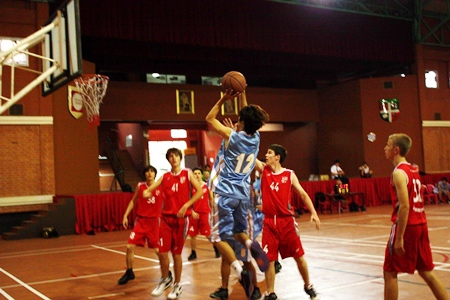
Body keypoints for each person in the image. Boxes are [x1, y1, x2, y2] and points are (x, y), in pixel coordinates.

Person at [205, 88, 270, 298]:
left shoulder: (231, 136)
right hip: (242, 195)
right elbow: (246, 114)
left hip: (224, 193)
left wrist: (224, 98)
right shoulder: (256, 138)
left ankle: (240, 271)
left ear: (240, 121)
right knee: (239, 235)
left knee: (216, 238)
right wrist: (243, 92)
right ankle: (252, 244)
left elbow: (209, 118)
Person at [383, 133, 448, 300]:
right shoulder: (413, 169)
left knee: (390, 272)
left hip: (407, 227)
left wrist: (399, 238)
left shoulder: (398, 173)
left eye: (388, 145)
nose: (385, 148)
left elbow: (404, 206)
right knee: (427, 272)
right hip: (421, 224)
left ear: (396, 149)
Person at [254, 144, 321, 300]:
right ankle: (271, 292)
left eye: (269, 153)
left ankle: (308, 286)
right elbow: (249, 156)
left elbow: (303, 195)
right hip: (269, 222)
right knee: (269, 259)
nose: (266, 155)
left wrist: (314, 212)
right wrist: (238, 135)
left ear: (277, 157)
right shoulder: (264, 171)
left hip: (287, 223)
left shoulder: (289, 174)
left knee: (299, 257)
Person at [142, 148, 203, 300]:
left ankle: (177, 284)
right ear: (168, 160)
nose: (173, 158)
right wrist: (147, 192)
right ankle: (165, 279)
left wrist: (186, 205)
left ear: (180, 158)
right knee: (162, 252)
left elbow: (200, 191)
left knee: (176, 254)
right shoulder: (165, 176)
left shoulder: (187, 173)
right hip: (166, 219)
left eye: (175, 155)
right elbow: (150, 189)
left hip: (182, 219)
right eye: (170, 156)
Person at [117, 165, 163, 285]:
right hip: (141, 221)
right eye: (147, 172)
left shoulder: (160, 187)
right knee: (129, 246)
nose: (149, 174)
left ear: (155, 174)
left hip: (154, 222)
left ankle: (166, 273)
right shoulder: (140, 186)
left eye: (152, 171)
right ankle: (129, 272)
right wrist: (125, 215)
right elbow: (133, 200)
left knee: (158, 250)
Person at [187, 167, 220, 260]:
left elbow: (211, 198)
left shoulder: (207, 186)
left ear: (201, 175)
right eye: (195, 173)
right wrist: (191, 211)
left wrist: (214, 210)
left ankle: (216, 248)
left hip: (205, 213)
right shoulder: (190, 187)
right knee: (192, 234)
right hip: (194, 213)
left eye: (198, 173)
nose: (196, 175)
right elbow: (187, 200)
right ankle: (193, 252)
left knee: (207, 233)